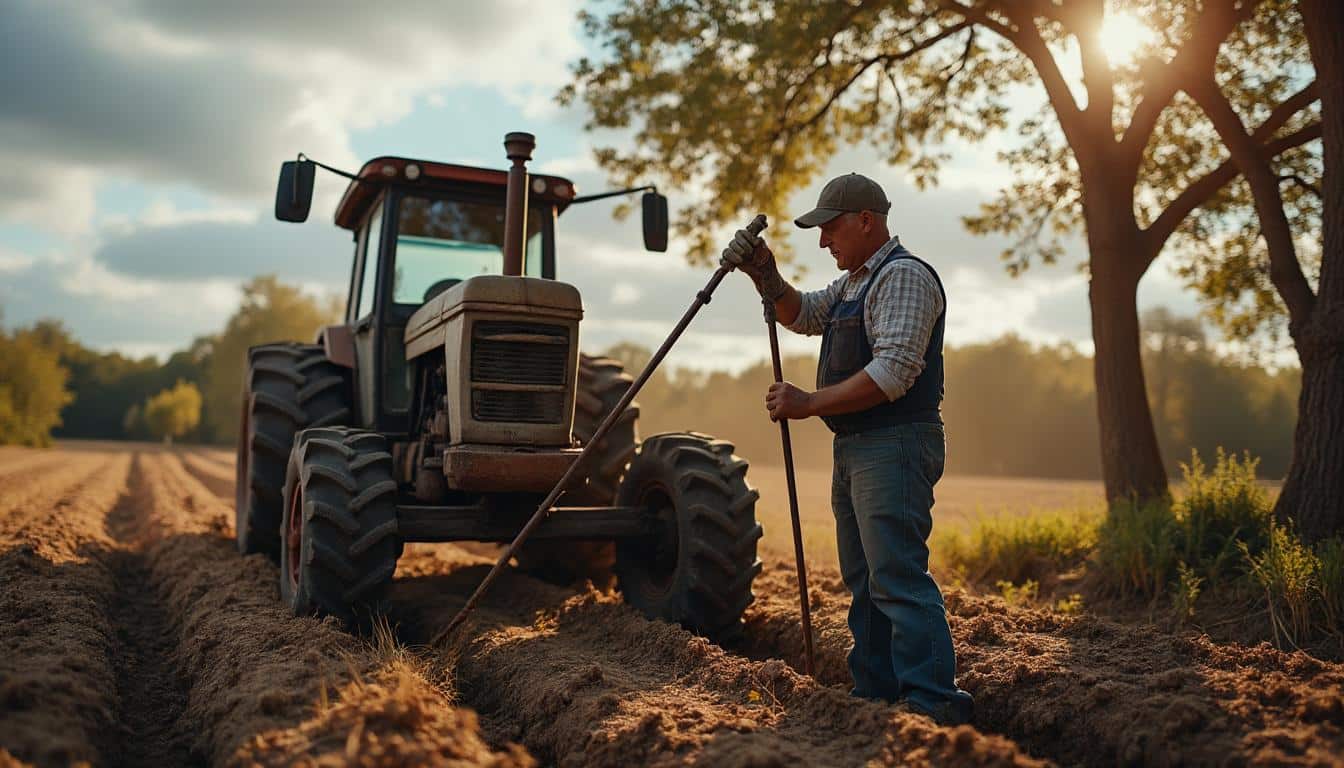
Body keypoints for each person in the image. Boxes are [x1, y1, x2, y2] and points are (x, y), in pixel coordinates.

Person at [721, 172, 973, 726]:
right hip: (858, 447)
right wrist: (765, 274)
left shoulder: (902, 276)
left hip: (895, 444)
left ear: (867, 221)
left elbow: (893, 372)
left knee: (897, 577)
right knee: (864, 580)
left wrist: (809, 402)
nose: (823, 240)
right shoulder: (854, 281)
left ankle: (933, 703)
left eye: (830, 227)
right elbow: (804, 314)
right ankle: (877, 694)